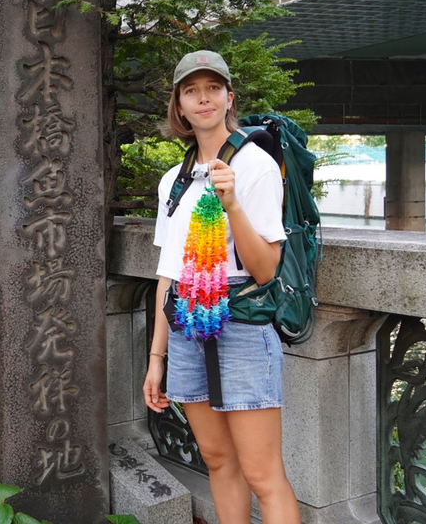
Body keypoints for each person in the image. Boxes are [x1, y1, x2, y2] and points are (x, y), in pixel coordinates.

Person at [143, 50, 301, 523]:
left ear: (229, 97)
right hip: (188, 325)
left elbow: (267, 268)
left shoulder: (255, 165)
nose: (203, 98)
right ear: (179, 105)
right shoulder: (174, 180)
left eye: (213, 88)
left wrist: (231, 203)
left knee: (262, 474)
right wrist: (157, 359)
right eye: (191, 90)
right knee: (217, 459)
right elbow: (167, 277)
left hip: (243, 326)